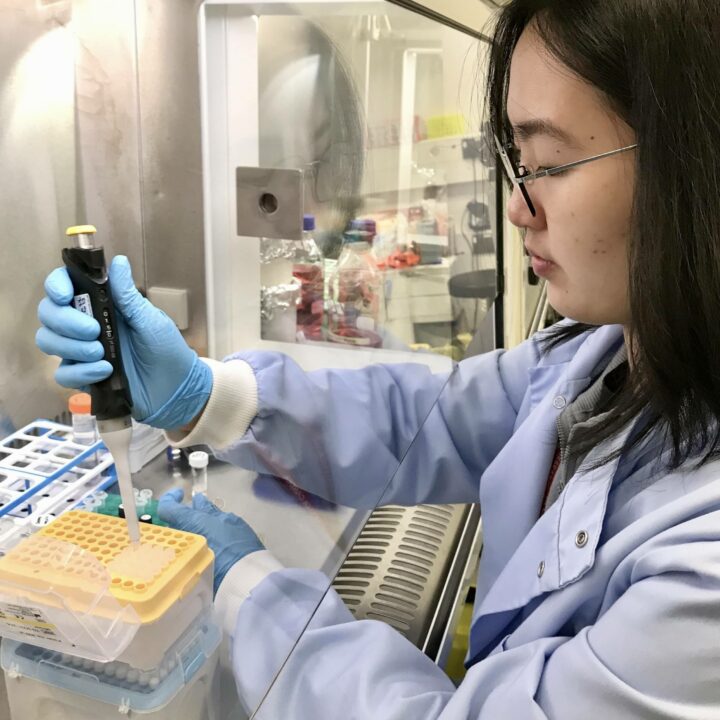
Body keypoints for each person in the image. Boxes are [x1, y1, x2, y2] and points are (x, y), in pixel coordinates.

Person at [34, 0, 720, 716]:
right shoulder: (606, 355)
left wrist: (248, 590)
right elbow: (429, 419)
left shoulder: (706, 573)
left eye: (548, 163)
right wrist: (207, 396)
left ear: (694, 162)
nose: (519, 206)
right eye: (519, 164)